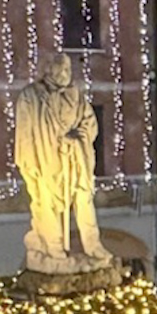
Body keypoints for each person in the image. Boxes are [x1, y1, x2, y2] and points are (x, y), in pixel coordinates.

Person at [13, 52, 111, 272]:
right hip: (46, 159)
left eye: (68, 69)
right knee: (48, 204)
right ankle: (54, 248)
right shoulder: (30, 96)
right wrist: (29, 162)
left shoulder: (76, 96)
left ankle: (93, 246)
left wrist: (77, 137)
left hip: (76, 158)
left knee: (84, 200)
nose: (66, 74)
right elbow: (24, 133)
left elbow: (90, 124)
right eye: (62, 69)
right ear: (49, 70)